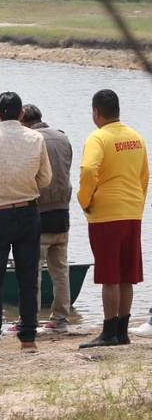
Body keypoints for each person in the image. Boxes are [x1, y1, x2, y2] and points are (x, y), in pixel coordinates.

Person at [0, 92, 52, 353]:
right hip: (28, 212)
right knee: (28, 277)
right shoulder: (36, 138)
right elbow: (46, 179)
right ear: (21, 115)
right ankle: (28, 338)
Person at [77, 89, 148, 348]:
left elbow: (88, 170)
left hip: (106, 214)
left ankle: (108, 331)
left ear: (96, 112)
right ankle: (123, 331)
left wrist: (85, 200)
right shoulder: (136, 137)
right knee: (127, 274)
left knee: (109, 275)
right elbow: (144, 175)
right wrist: (138, 203)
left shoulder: (98, 138)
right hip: (132, 211)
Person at [16, 104, 74, 333]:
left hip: (40, 214)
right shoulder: (63, 138)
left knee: (32, 271)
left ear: (22, 120)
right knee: (60, 271)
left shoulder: (32, 140)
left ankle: (28, 320)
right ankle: (60, 320)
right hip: (63, 212)